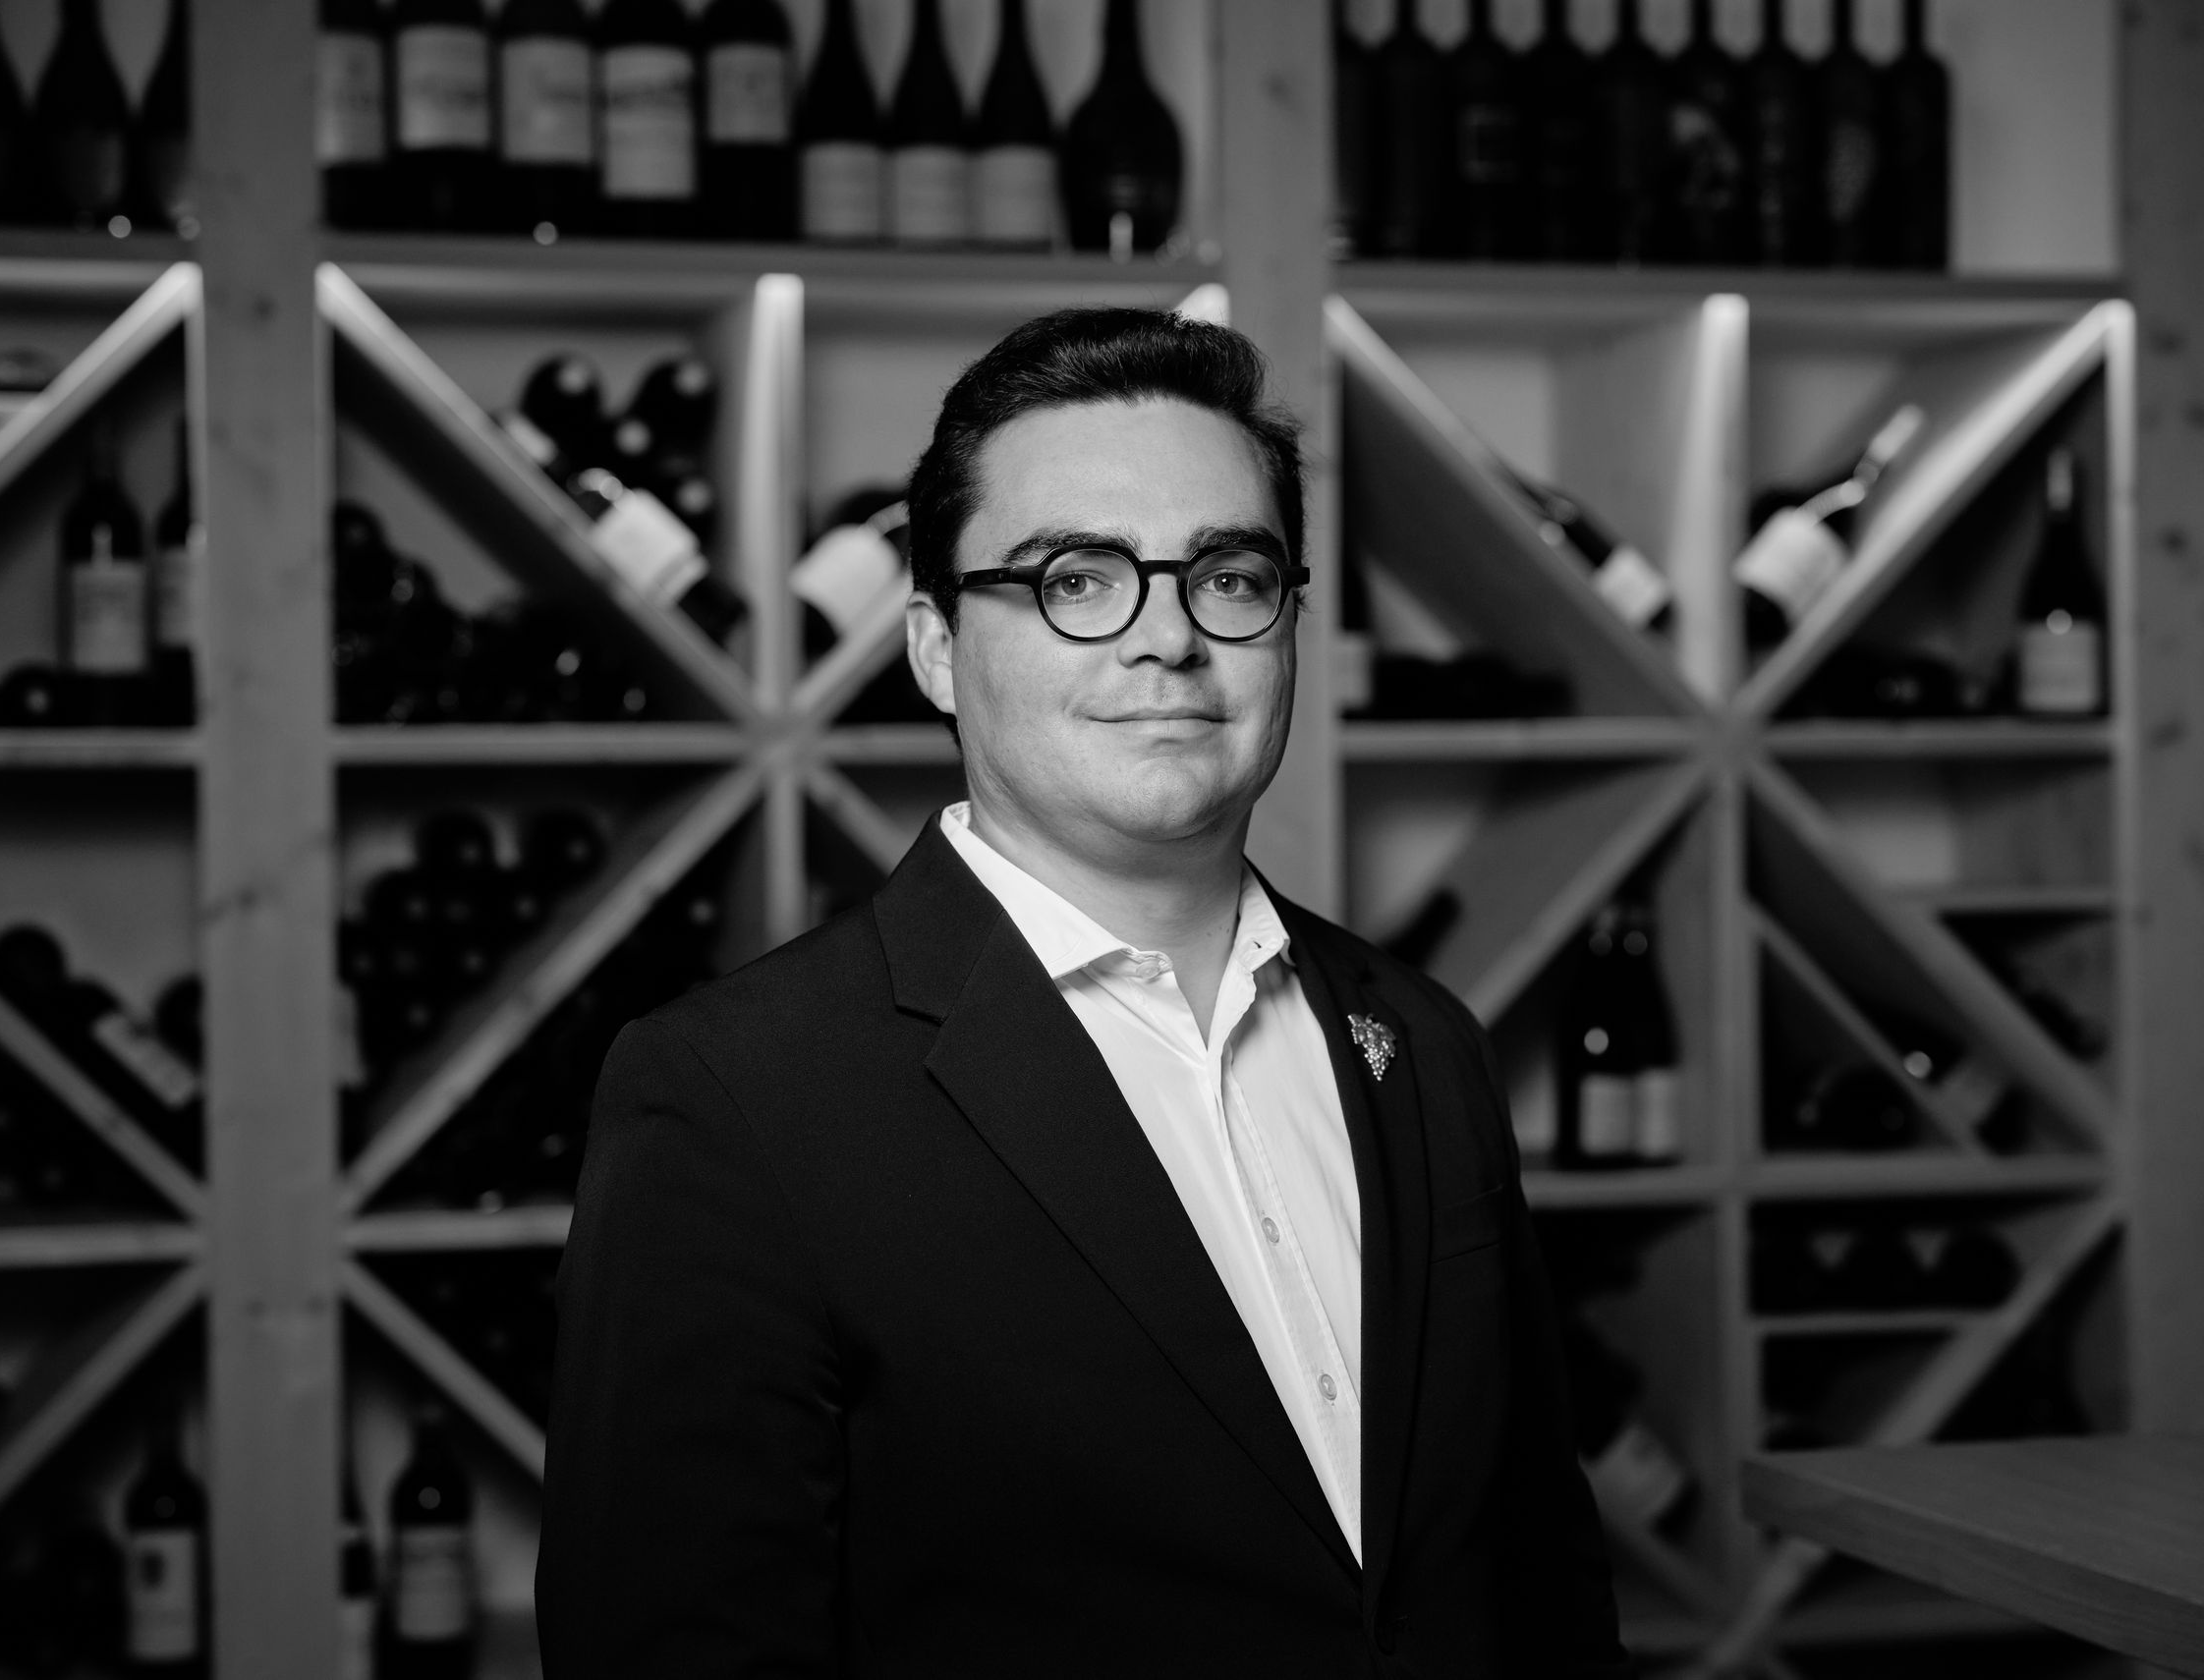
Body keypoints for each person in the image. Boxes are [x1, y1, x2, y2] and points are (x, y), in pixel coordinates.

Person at [537, 308, 1629, 1677]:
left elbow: (1540, 1580)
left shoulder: (1421, 1040)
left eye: (1228, 576)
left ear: (1289, 622)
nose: (1167, 638)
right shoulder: (732, 1095)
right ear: (936, 648)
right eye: (1077, 578)